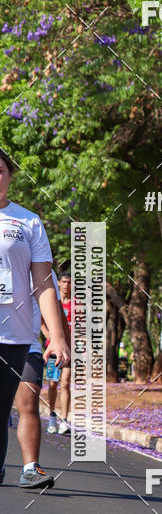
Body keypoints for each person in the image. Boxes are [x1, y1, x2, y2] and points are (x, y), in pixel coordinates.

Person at [0, 148, 70, 486]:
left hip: (19, 338)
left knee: (20, 405)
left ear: (10, 176)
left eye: (0, 170)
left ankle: (28, 467)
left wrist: (56, 337)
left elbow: (45, 287)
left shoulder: (27, 222)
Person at [13, 270, 69, 489]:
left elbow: (55, 309)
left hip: (29, 347)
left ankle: (30, 468)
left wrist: (64, 342)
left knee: (28, 405)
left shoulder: (44, 271)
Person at [44, 271, 72, 434]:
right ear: (59, 283)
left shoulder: (77, 304)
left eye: (70, 282)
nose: (67, 285)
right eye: (64, 282)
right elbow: (41, 321)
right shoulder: (52, 301)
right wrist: (51, 337)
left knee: (66, 383)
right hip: (53, 349)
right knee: (53, 383)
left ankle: (64, 419)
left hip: (70, 349)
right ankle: (52, 417)